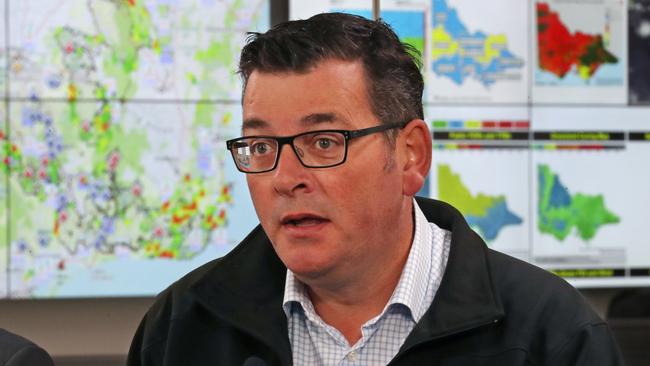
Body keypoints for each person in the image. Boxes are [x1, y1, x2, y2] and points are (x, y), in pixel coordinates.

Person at [127, 13, 623, 365]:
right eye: (260, 145)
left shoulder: (551, 334)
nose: (284, 178)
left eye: (323, 141)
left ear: (411, 155)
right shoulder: (181, 327)